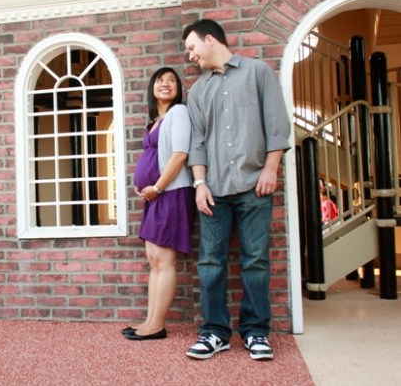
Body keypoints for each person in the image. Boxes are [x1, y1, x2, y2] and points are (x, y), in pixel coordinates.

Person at [182, 19, 291, 360]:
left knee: (255, 261)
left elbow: (277, 125)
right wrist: (199, 184)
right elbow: (197, 142)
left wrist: (270, 169)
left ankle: (256, 332)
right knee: (210, 262)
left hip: (254, 187)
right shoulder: (197, 92)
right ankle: (215, 332)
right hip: (214, 190)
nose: (190, 56)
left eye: (192, 48)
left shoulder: (257, 72)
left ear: (210, 40)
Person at [122, 67, 195, 341]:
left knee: (164, 261)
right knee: (153, 260)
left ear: (178, 88)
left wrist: (158, 186)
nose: (166, 84)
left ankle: (157, 325)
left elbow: (179, 155)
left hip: (171, 192)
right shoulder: (156, 119)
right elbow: (153, 155)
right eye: (160, 80)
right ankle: (149, 320)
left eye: (172, 80)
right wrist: (142, 181)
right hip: (155, 195)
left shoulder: (179, 112)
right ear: (152, 87)